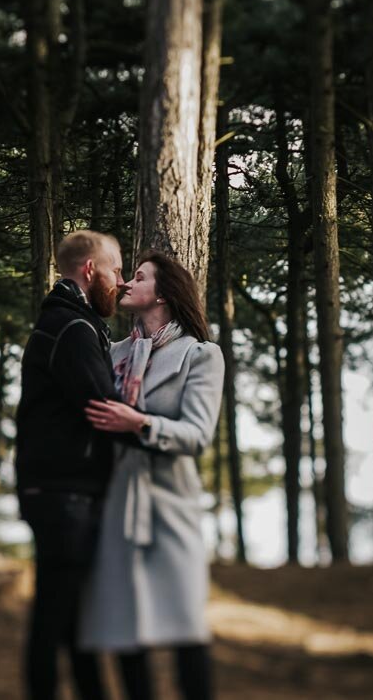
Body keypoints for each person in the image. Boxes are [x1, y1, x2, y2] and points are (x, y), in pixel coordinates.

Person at [80, 250, 225, 700]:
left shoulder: (202, 356)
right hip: (118, 503)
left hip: (170, 504)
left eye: (138, 277)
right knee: (126, 627)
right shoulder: (112, 353)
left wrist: (139, 423)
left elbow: (198, 436)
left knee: (186, 628)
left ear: (162, 292)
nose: (126, 283)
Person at [14, 229, 127, 700]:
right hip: (65, 494)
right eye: (117, 270)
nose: (120, 282)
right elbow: (104, 408)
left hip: (62, 491)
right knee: (55, 617)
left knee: (75, 621)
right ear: (90, 270)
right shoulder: (74, 328)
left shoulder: (69, 322)